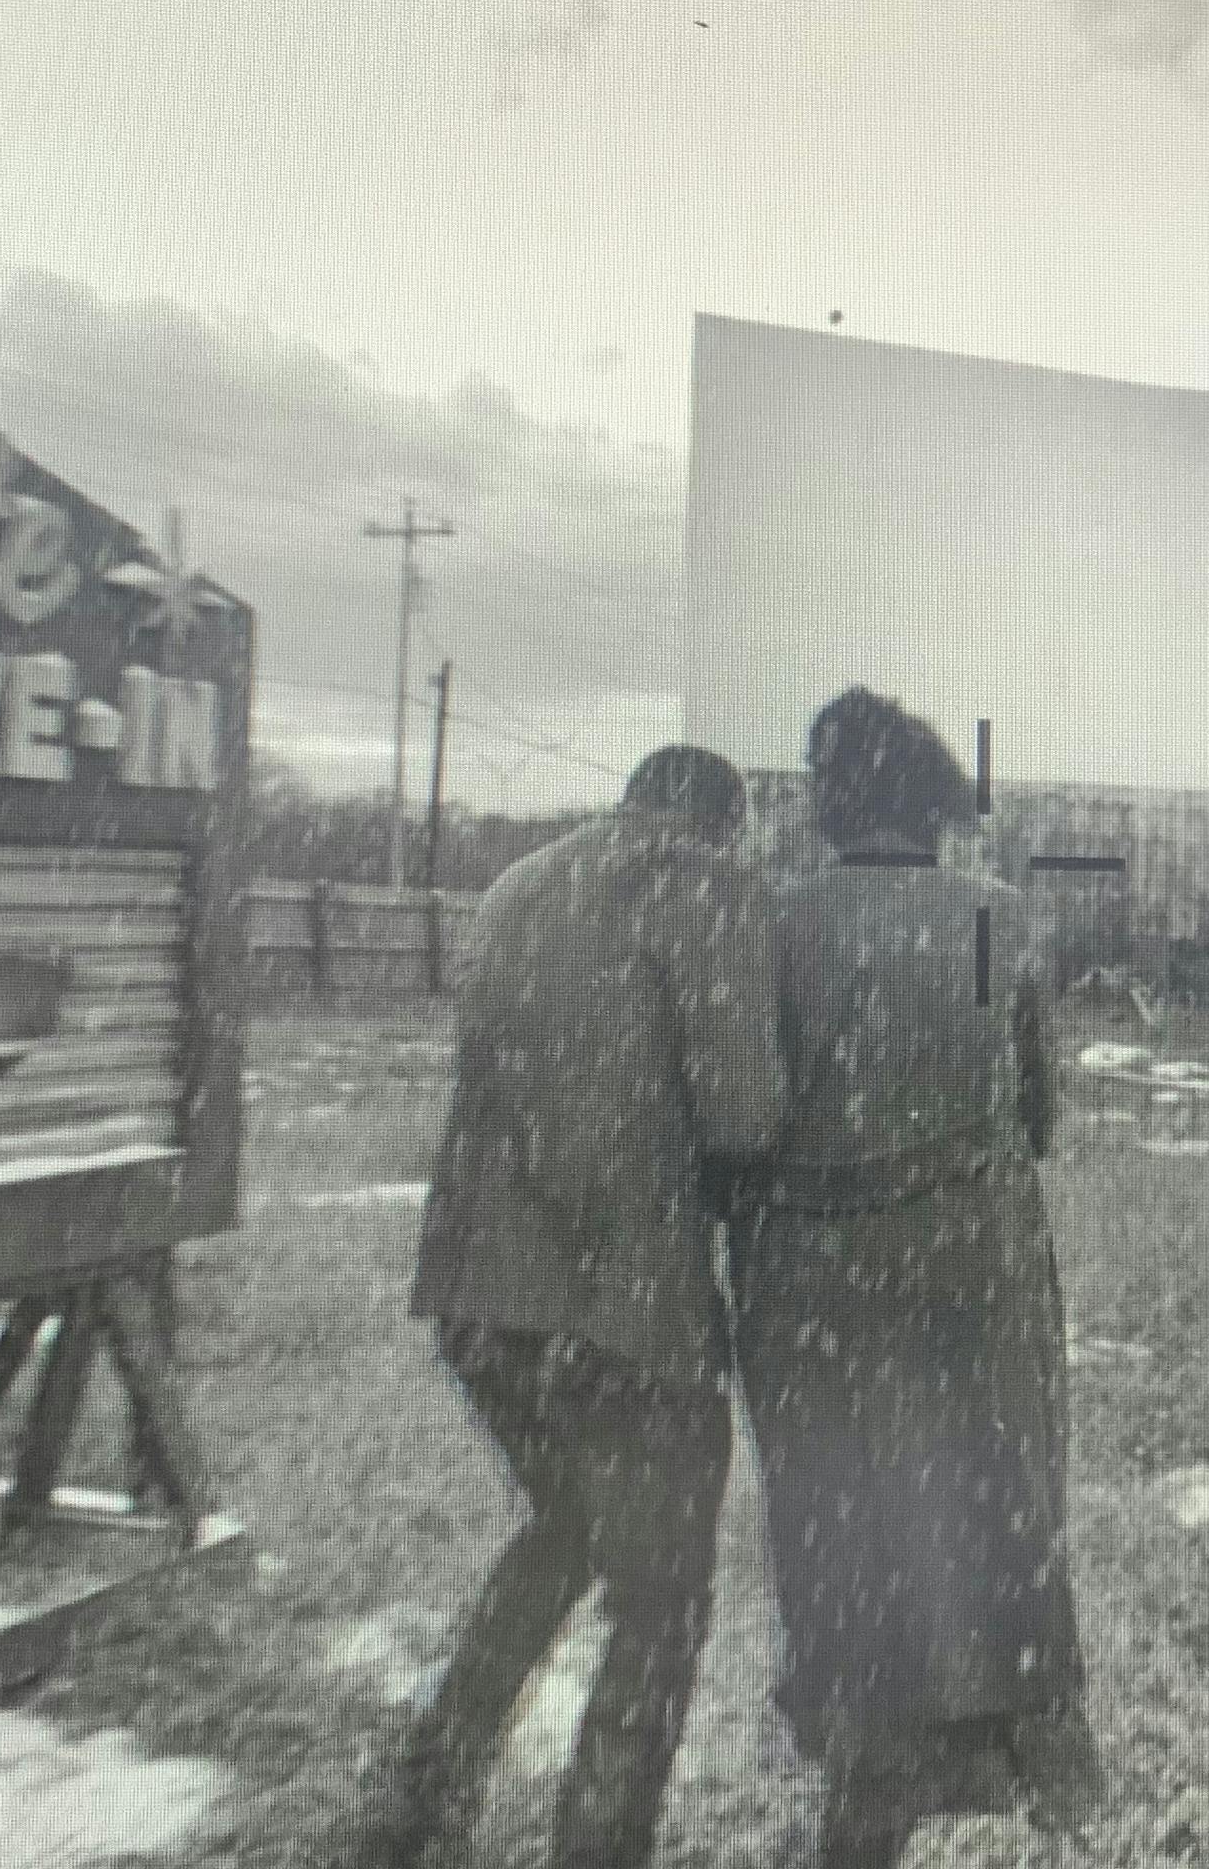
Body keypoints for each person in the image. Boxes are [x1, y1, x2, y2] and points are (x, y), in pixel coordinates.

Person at [357, 745, 786, 1869]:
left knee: (561, 1536)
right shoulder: (703, 882)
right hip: (623, 1317)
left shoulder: (518, 883)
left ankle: (426, 1793)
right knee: (661, 1605)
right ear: (720, 824)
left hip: (476, 1300)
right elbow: (743, 1116)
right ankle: (596, 1853)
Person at [724, 688, 1106, 1869]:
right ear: (931, 802)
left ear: (833, 800)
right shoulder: (992, 919)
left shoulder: (773, 924)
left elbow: (741, 1124)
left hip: (815, 1290)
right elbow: (1037, 1119)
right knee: (981, 1525)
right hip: (971, 1279)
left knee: (843, 1534)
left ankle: (865, 1775)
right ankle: (963, 1753)